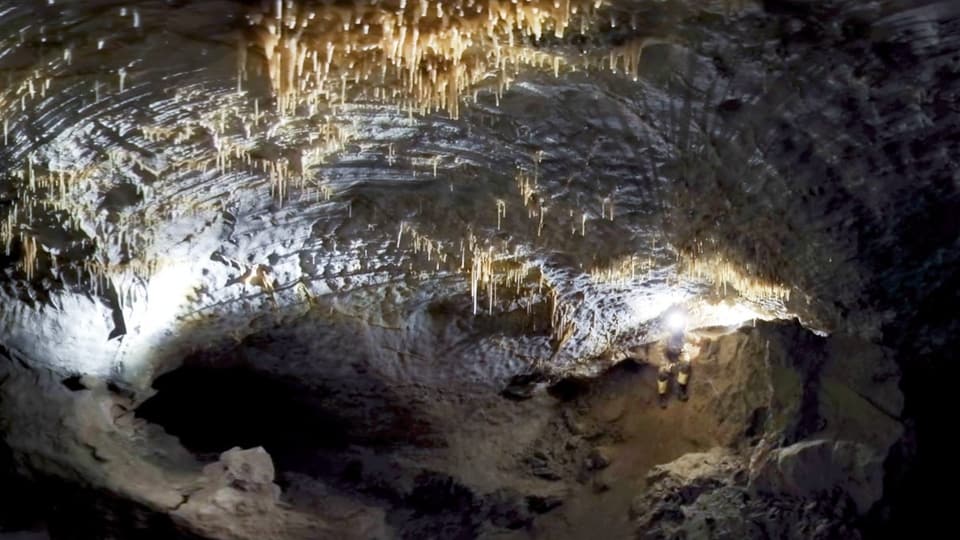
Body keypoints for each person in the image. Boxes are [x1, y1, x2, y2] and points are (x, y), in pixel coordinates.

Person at [657, 314, 692, 409]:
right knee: (662, 373)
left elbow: (694, 339)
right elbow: (661, 350)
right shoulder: (666, 337)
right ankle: (662, 395)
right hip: (668, 355)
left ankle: (681, 388)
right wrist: (667, 363)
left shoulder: (684, 335)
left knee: (686, 365)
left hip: (679, 355)